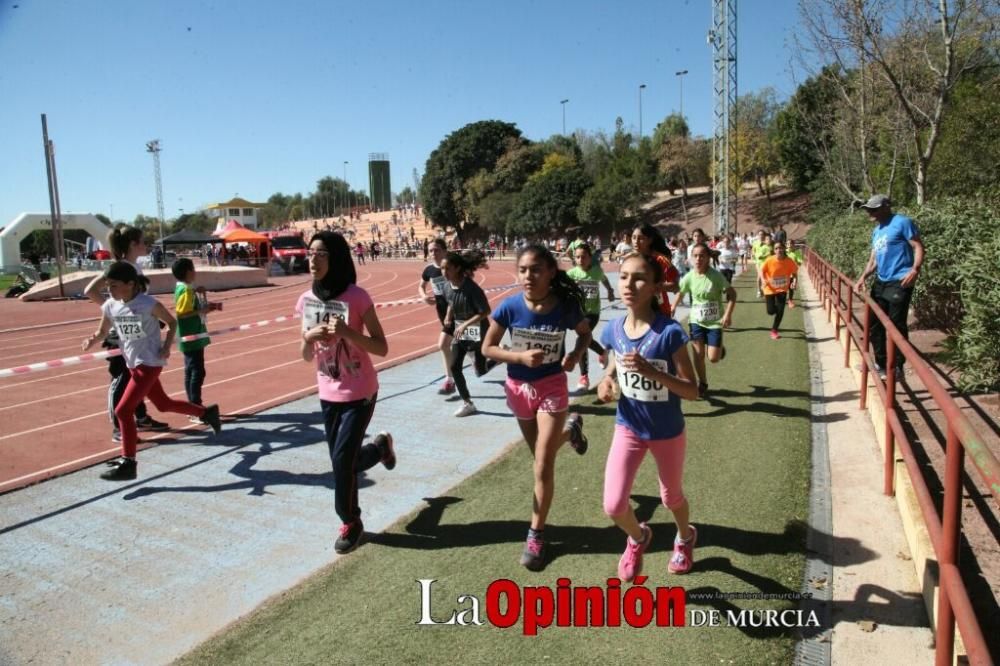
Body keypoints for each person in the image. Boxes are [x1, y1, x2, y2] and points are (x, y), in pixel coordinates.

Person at [482, 244, 592, 571]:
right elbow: (488, 348)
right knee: (540, 455)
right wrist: (518, 357)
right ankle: (571, 430)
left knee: (543, 464)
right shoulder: (510, 307)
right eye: (524, 270)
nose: (528, 276)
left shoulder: (566, 306)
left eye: (536, 269)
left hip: (552, 387)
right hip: (519, 389)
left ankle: (536, 534)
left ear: (550, 272)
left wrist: (574, 354)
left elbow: (584, 334)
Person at [596, 252, 700, 581]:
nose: (629, 284)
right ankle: (639, 537)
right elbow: (615, 359)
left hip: (667, 431)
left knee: (671, 497)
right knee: (613, 505)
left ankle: (685, 537)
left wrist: (653, 374)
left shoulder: (669, 332)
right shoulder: (614, 328)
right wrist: (608, 378)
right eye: (624, 276)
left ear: (656, 287)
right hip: (628, 427)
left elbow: (692, 391)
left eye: (640, 277)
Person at [296, 231, 397, 554]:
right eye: (310, 253)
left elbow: (381, 347)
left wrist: (348, 333)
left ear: (336, 257)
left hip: (360, 390)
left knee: (341, 461)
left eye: (321, 253)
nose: (313, 259)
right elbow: (305, 355)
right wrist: (309, 336)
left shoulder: (357, 297)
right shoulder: (305, 301)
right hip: (328, 392)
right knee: (345, 462)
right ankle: (380, 448)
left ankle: (351, 522)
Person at [81, 262, 221, 480]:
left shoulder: (147, 304)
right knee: (163, 404)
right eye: (108, 285)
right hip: (133, 363)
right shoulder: (111, 305)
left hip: (149, 363)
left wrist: (165, 347)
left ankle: (129, 463)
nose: (110, 290)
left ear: (130, 284)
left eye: (115, 285)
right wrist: (92, 339)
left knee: (123, 411)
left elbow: (172, 322)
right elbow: (102, 331)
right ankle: (206, 413)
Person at [84, 225, 169, 442]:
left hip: (139, 333)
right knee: (122, 378)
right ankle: (118, 427)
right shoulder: (119, 267)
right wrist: (116, 311)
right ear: (132, 244)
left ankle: (139, 417)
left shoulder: (135, 269)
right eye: (142, 241)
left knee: (138, 377)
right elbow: (90, 291)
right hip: (120, 333)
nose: (146, 245)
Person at [852, 194, 923, 379]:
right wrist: (862, 278)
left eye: (873, 209)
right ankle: (881, 363)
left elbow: (917, 246)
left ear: (886, 206)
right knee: (874, 323)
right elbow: (873, 259)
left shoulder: (902, 222)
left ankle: (897, 367)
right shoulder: (877, 231)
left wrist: (915, 269)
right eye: (868, 209)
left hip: (900, 281)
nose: (870, 212)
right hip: (880, 282)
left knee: (896, 325)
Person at [675, 243, 737, 397]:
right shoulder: (689, 277)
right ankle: (702, 383)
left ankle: (718, 348)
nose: (698, 259)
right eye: (695, 256)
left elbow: (732, 294)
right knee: (698, 354)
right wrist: (672, 307)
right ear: (691, 258)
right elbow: (680, 292)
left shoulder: (716, 276)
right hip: (696, 321)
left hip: (715, 322)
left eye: (702, 256)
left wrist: (727, 315)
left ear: (708, 258)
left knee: (714, 358)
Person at [442, 251, 498, 417]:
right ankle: (468, 403)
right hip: (461, 330)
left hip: (478, 331)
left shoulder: (472, 288)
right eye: (442, 268)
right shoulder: (447, 286)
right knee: (454, 366)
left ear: (458, 268)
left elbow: (485, 311)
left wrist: (466, 324)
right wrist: (448, 316)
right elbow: (451, 302)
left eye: (448, 268)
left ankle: (494, 359)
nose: (444, 272)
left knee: (480, 371)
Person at [172, 258, 220, 412]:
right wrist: (201, 311)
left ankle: (192, 404)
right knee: (196, 371)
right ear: (187, 272)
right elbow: (181, 313)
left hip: (193, 334)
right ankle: (195, 405)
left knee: (191, 369)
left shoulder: (186, 288)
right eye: (193, 269)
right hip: (191, 335)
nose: (195, 272)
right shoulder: (185, 290)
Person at [566, 242, 615, 390]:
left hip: (592, 312)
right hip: (577, 313)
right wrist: (571, 286)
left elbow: (604, 279)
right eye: (578, 257)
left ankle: (584, 377)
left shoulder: (596, 271)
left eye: (584, 257)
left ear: (590, 257)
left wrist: (610, 291)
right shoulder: (572, 273)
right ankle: (602, 352)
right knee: (586, 339)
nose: (581, 260)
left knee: (582, 339)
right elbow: (562, 288)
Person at [418, 238, 456, 395]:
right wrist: (424, 297)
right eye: (431, 250)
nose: (433, 253)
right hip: (442, 311)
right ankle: (450, 379)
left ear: (445, 251)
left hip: (457, 311)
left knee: (444, 344)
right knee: (464, 345)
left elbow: (456, 291)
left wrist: (449, 312)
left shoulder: (452, 267)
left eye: (437, 250)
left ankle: (450, 380)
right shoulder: (429, 270)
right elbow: (421, 285)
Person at [631, 224, 679, 315]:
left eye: (640, 238)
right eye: (633, 237)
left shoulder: (660, 260)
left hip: (659, 312)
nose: (636, 242)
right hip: (638, 311)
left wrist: (654, 287)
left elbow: (676, 285)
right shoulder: (630, 259)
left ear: (650, 240)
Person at [758, 241, 799, 340]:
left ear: (784, 249)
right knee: (771, 311)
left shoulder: (789, 261)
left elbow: (794, 273)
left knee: (780, 311)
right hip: (770, 288)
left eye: (780, 248)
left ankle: (774, 330)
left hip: (782, 289)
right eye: (776, 248)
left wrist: (794, 282)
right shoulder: (769, 260)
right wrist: (763, 280)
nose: (779, 250)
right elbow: (761, 271)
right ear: (774, 250)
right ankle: (776, 308)